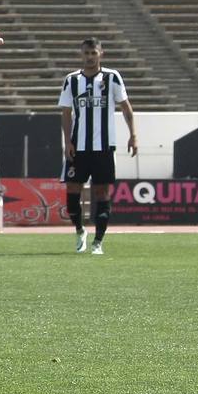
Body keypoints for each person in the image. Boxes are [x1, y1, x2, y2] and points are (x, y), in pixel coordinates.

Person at [59, 37, 138, 255]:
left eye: (94, 53)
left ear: (101, 53)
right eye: (87, 53)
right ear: (81, 54)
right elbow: (66, 112)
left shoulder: (112, 78)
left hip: (104, 147)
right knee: (72, 191)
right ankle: (79, 230)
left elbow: (126, 107)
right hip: (78, 147)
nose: (90, 57)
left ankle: (98, 242)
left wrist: (133, 135)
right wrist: (67, 142)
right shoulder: (71, 80)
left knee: (102, 193)